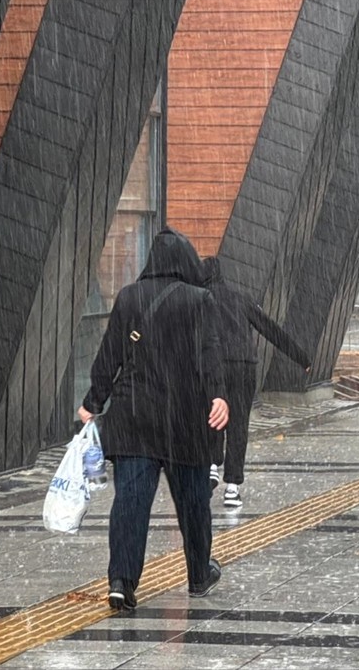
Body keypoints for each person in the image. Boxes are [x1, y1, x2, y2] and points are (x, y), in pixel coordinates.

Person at [77, 228, 229, 611]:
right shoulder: (200, 300)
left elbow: (108, 354)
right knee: (193, 502)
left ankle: (122, 581)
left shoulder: (129, 297)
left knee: (130, 503)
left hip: (133, 419)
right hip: (184, 419)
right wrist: (218, 396)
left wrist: (92, 403)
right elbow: (210, 355)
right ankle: (198, 573)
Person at [202, 257, 311, 507]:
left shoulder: (200, 301)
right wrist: (301, 357)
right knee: (238, 422)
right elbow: (270, 329)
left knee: (212, 414)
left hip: (214, 365)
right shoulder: (241, 298)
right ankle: (232, 487)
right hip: (243, 367)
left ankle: (210, 465)